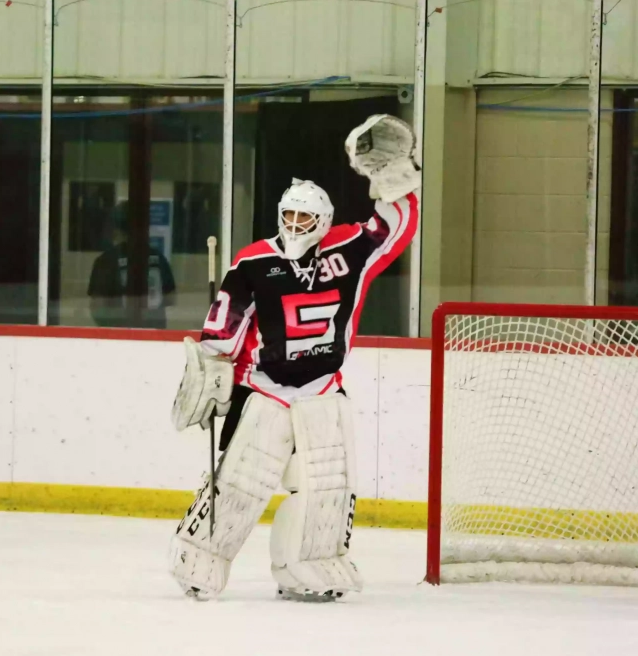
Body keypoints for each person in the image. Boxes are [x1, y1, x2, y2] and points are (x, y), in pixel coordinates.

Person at [168, 114, 420, 602]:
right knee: (240, 481)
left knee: (326, 486)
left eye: (305, 219)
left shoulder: (349, 249)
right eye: (289, 217)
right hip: (267, 386)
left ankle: (311, 566)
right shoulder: (254, 261)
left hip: (322, 388)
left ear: (323, 221)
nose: (296, 226)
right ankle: (199, 556)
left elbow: (396, 226)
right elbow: (226, 323)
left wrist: (389, 176)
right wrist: (214, 369)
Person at [87, 201, 176, 329]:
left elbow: (98, 308)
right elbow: (170, 299)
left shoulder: (106, 261)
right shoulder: (158, 258)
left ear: (115, 229)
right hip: (155, 338)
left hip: (119, 338)